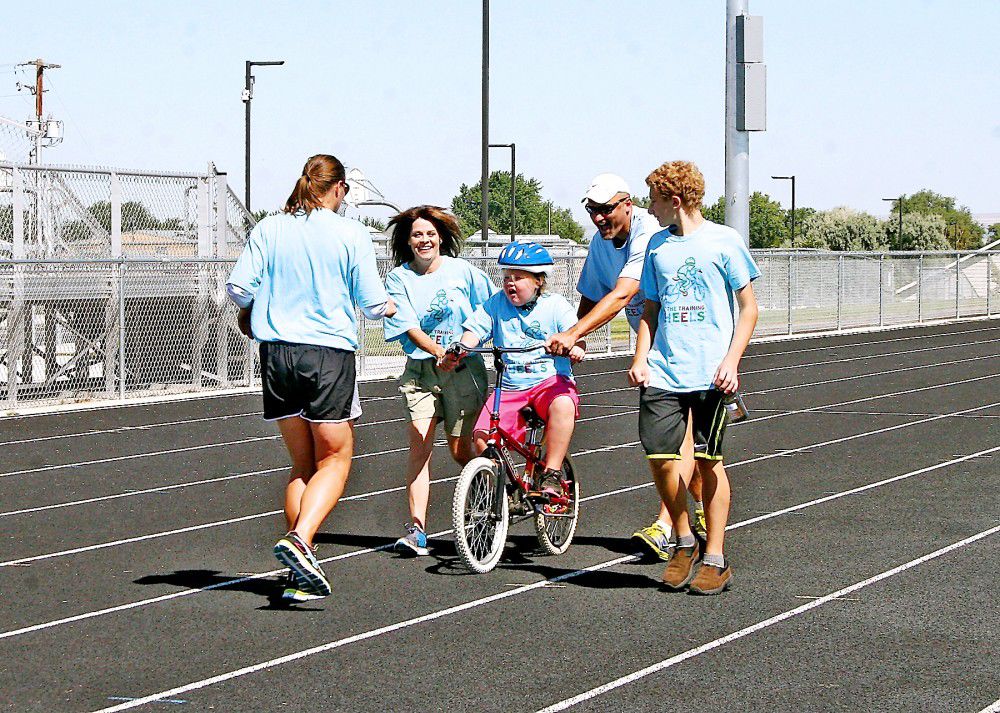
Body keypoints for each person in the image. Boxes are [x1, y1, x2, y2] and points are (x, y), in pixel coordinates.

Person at [226, 154, 396, 602]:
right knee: (336, 459)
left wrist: (265, 306)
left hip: (276, 354)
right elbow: (373, 301)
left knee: (301, 464)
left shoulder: (269, 228)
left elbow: (238, 288)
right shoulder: (349, 232)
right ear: (338, 189)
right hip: (327, 354)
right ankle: (301, 540)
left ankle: (298, 569)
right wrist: (391, 308)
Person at [546, 173, 703, 560]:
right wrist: (576, 338)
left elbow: (622, 294)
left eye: (605, 209)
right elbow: (591, 293)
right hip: (655, 347)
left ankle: (667, 527)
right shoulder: (601, 243)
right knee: (685, 454)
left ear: (627, 205)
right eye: (592, 211)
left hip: (685, 345)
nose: (598, 218)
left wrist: (574, 332)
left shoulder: (648, 234)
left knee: (674, 443)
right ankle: (701, 517)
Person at [628, 160, 760, 595]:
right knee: (661, 459)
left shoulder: (725, 241)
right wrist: (641, 357)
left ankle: (715, 558)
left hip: (712, 374)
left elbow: (749, 309)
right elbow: (650, 309)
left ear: (675, 200)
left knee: (708, 463)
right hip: (665, 371)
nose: (650, 208)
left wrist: (732, 361)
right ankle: (683, 539)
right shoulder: (657, 248)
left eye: (654, 200)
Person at [382, 206, 495, 555]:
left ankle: (492, 498)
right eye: (417, 235)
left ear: (442, 237)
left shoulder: (463, 272)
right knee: (419, 446)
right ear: (408, 241)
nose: (425, 240)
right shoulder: (398, 279)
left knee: (463, 451)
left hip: (463, 370)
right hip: (422, 371)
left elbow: (491, 308)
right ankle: (416, 529)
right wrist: (437, 352)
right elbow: (408, 326)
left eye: (431, 234)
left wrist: (464, 347)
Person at [441, 242, 585, 497]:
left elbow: (575, 335)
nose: (510, 283)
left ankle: (551, 473)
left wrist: (575, 347)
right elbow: (474, 331)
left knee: (563, 404)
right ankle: (506, 488)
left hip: (549, 383)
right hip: (510, 387)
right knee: (483, 435)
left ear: (538, 281)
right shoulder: (496, 303)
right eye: (507, 277)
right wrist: (461, 348)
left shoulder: (556, 304)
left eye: (518, 278)